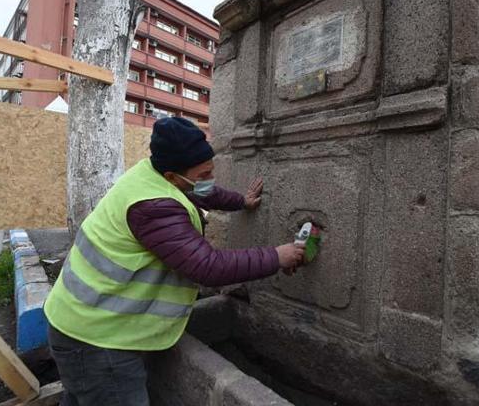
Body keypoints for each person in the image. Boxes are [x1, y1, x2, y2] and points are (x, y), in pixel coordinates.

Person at [43, 117, 305, 406]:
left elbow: (201, 191)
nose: (209, 179)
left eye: (211, 172)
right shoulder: (153, 206)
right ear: (171, 176)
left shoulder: (153, 175)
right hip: (96, 341)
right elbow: (208, 267)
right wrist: (277, 256)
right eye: (204, 174)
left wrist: (241, 202)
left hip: (83, 323)